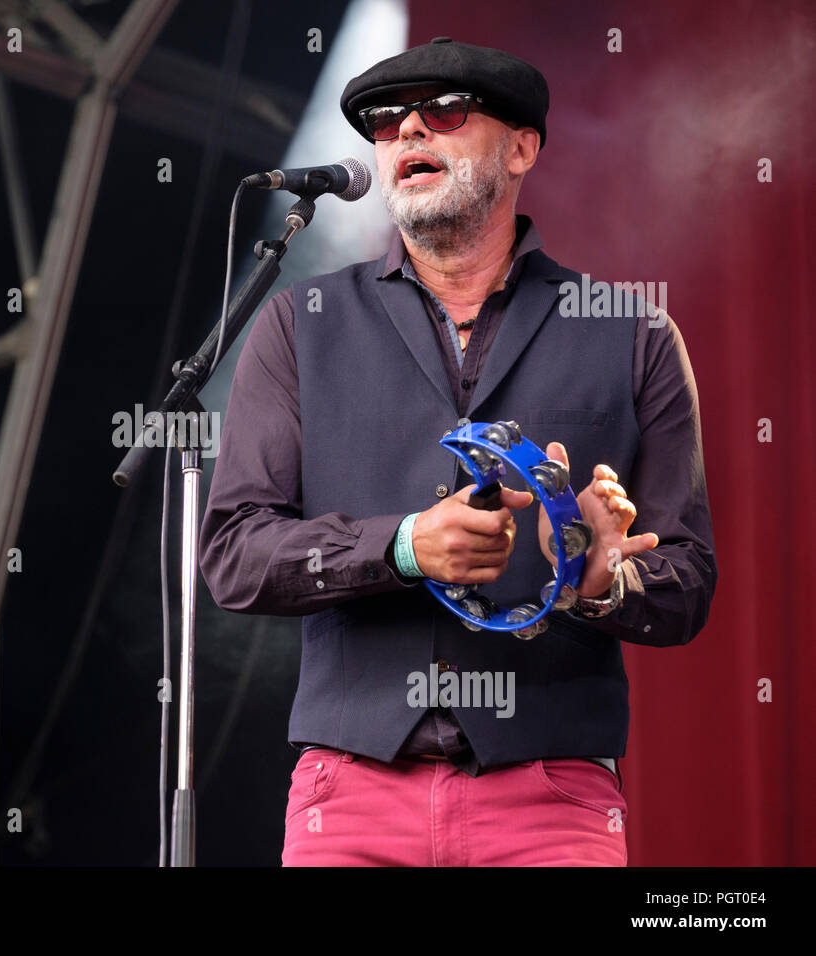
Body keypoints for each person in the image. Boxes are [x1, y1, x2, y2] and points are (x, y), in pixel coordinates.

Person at [197, 38, 717, 866]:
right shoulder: (300, 324)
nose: (408, 132)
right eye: (385, 121)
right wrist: (401, 547)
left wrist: (597, 577)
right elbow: (232, 557)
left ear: (521, 147)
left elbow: (687, 584)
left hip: (553, 798)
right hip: (351, 797)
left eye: (443, 112)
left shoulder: (634, 334)